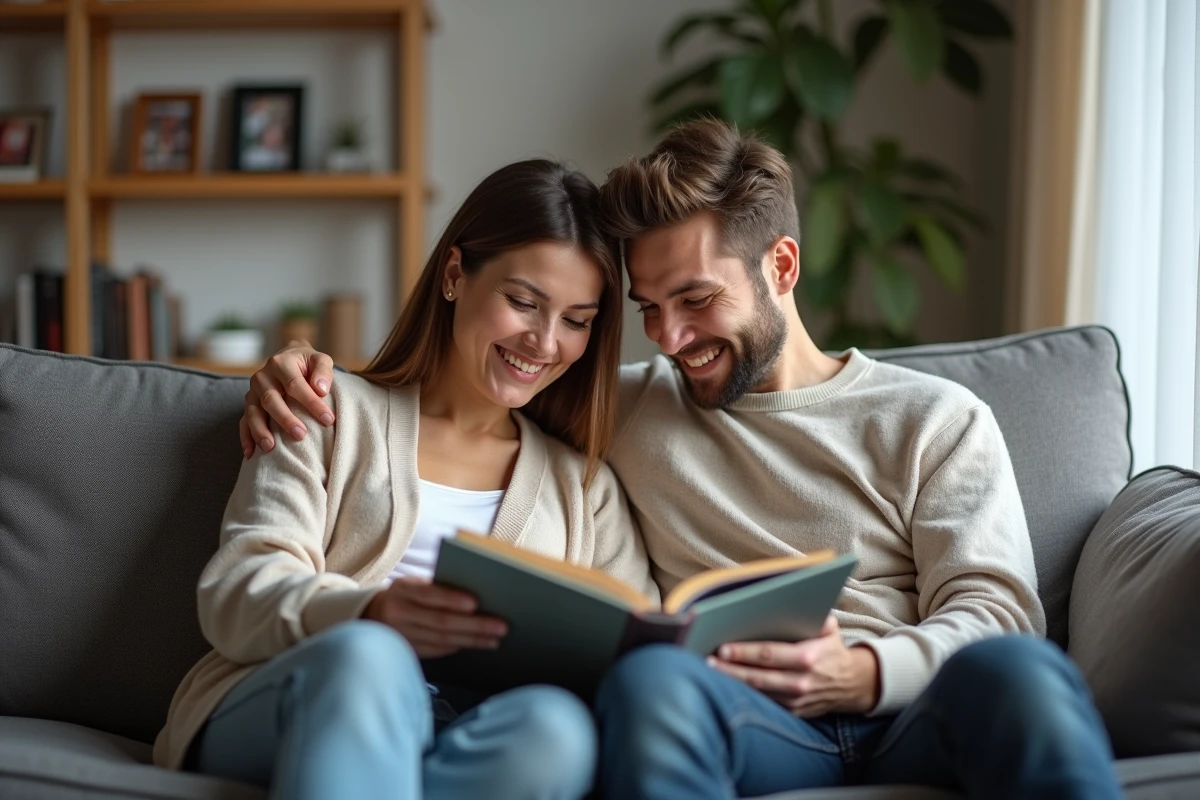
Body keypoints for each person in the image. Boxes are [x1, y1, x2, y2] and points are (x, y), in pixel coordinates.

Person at [241, 120, 1122, 799]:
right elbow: (477, 382)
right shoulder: (616, 403)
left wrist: (866, 672)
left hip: (912, 705)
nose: (670, 339)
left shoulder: (934, 417)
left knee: (1020, 674)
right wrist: (293, 370)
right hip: (742, 718)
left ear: (781, 265)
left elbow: (999, 609)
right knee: (653, 685)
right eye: (649, 307)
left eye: (696, 300)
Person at [154, 159, 657, 800]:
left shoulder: (583, 490)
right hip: (298, 694)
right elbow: (236, 593)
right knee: (372, 657)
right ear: (454, 275)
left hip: (468, 730)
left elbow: (637, 643)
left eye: (577, 320)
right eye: (524, 302)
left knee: (557, 729)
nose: (544, 341)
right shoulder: (326, 411)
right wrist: (368, 611)